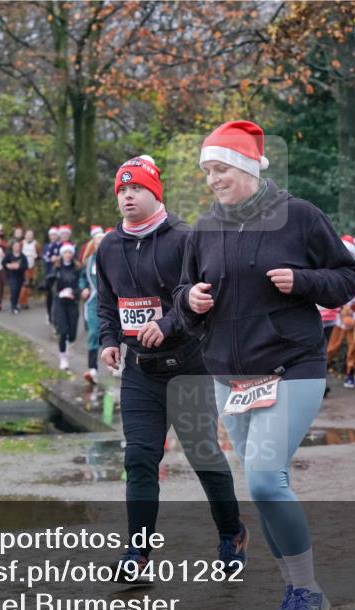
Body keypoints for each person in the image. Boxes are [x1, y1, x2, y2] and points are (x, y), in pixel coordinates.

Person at [175, 121, 355, 610]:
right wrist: (189, 300)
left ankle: (308, 591)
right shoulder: (204, 228)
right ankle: (294, 590)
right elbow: (183, 292)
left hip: (291, 368)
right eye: (207, 171)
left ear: (247, 167)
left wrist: (303, 281)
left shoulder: (299, 216)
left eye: (220, 168)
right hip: (230, 379)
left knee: (263, 478)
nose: (212, 179)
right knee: (264, 487)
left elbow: (347, 278)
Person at [96, 155, 244, 581]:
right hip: (140, 373)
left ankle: (232, 534)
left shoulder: (184, 238)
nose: (127, 196)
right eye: (122, 190)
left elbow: (204, 298)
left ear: (155, 193)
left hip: (189, 368)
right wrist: (108, 341)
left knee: (204, 456)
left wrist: (168, 323)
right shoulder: (108, 247)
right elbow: (106, 303)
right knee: (140, 458)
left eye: (137, 188)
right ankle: (138, 555)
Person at [327, 234, 355, 388]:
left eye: (349, 251)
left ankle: (350, 374)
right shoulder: (332, 267)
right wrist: (339, 307)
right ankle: (320, 374)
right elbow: (327, 290)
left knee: (354, 346)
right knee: (332, 346)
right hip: (338, 314)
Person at [79, 228, 104, 383]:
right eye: (97, 243)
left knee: (111, 333)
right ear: (93, 245)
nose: (99, 245)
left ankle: (115, 364)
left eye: (102, 242)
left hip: (110, 303)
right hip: (93, 302)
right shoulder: (89, 261)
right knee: (93, 332)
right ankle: (92, 369)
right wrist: (83, 288)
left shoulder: (113, 259)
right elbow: (82, 277)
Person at [51, 242, 82, 370]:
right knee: (63, 331)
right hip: (60, 303)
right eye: (65, 252)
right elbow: (51, 284)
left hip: (73, 302)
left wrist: (73, 292)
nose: (67, 255)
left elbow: (81, 285)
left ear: (72, 254)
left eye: (69, 252)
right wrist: (59, 293)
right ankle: (63, 358)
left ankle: (70, 343)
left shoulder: (77, 268)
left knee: (72, 333)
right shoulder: (56, 268)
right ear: (61, 254)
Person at [42, 227, 61, 325]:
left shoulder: (61, 245)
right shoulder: (46, 246)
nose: (53, 237)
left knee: (57, 295)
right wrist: (51, 259)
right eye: (51, 235)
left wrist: (57, 258)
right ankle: (49, 314)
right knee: (49, 295)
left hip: (58, 274)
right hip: (49, 273)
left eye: (54, 235)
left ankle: (56, 316)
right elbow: (44, 258)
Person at [4, 240, 28, 314]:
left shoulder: (23, 256)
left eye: (18, 246)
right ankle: (13, 306)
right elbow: (3, 263)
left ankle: (16, 303)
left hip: (20, 276)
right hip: (11, 276)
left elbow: (25, 266)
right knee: (13, 289)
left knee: (18, 290)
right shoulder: (9, 255)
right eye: (15, 246)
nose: (16, 248)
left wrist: (19, 266)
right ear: (12, 247)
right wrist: (8, 265)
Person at [20, 229, 41, 309]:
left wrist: (37, 257)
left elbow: (40, 256)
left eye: (31, 235)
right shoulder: (21, 243)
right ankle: (22, 301)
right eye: (28, 235)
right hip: (23, 267)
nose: (29, 236)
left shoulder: (36, 244)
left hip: (32, 267)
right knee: (24, 283)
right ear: (25, 235)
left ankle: (25, 301)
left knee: (28, 285)